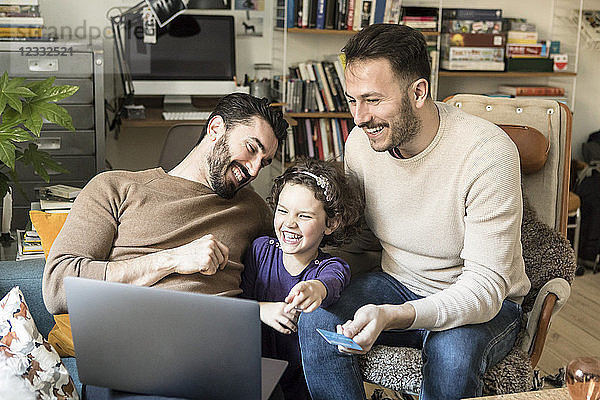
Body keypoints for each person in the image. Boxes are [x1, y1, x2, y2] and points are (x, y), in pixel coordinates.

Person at [297, 24, 531, 400]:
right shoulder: (361, 143)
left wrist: (395, 314)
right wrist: (315, 270)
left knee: (451, 354)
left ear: (418, 92)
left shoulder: (487, 154)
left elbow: (486, 289)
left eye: (373, 100)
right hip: (396, 282)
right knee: (316, 317)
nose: (359, 117)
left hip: (481, 304)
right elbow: (358, 240)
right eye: (352, 100)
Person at [43, 93, 289, 314]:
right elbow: (58, 288)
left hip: (219, 350)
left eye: (264, 162)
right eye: (251, 148)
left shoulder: (254, 211)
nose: (255, 169)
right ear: (215, 129)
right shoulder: (114, 188)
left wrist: (322, 285)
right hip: (133, 350)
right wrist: (172, 260)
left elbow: (298, 263)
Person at [240, 158, 363, 400]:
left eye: (304, 216)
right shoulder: (260, 250)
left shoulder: (331, 266)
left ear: (331, 223)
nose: (289, 223)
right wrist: (262, 309)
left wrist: (315, 288)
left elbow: (332, 281)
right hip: (256, 372)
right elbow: (237, 301)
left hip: (304, 382)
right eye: (283, 211)